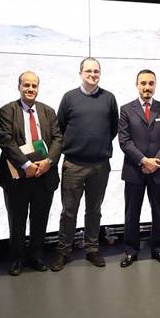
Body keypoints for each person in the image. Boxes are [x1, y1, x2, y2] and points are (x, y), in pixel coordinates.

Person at [50, 57, 119, 271]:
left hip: (100, 165)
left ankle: (92, 248)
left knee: (94, 210)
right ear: (80, 73)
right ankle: (63, 251)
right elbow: (60, 128)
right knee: (68, 211)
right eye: (88, 71)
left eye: (96, 71)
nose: (92, 74)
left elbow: (113, 128)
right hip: (73, 164)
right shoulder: (69, 98)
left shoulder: (109, 98)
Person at [0, 71, 62, 276]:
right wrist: (26, 165)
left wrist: (48, 162)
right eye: (26, 85)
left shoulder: (48, 111)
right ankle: (17, 259)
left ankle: (35, 256)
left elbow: (58, 139)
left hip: (44, 174)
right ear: (19, 87)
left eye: (34, 86)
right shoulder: (8, 110)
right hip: (18, 176)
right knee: (17, 219)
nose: (30, 89)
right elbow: (6, 140)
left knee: (40, 218)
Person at [118, 69, 160, 267]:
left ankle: (158, 249)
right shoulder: (126, 109)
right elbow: (124, 141)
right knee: (132, 213)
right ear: (137, 85)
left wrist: (155, 162)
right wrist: (143, 161)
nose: (147, 87)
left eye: (151, 83)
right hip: (135, 170)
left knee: (159, 213)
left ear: (155, 85)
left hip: (159, 171)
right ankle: (130, 251)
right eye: (143, 83)